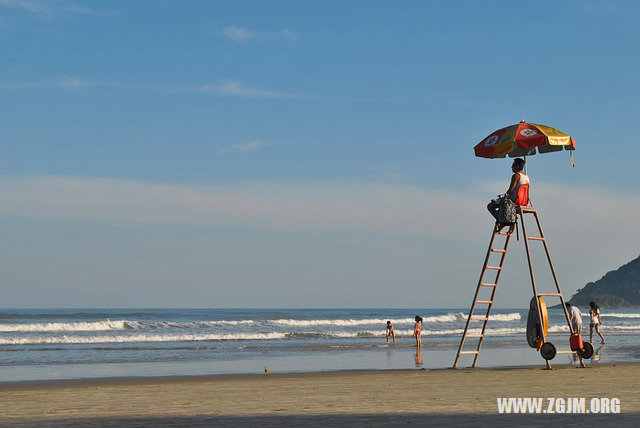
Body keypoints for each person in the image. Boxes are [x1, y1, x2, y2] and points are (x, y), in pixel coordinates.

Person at [487, 158, 530, 227]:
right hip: (523, 202)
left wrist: (503, 196)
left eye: (513, 165)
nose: (511, 167)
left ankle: (501, 221)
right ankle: (509, 222)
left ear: (517, 166)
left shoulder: (516, 175)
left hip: (513, 200)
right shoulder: (526, 177)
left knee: (490, 206)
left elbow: (510, 191)